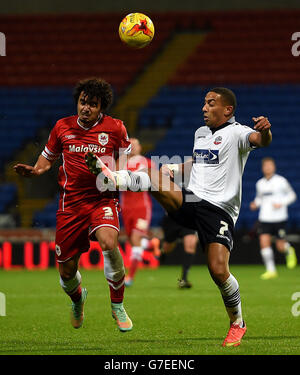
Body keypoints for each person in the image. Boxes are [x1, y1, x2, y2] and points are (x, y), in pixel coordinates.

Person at [85, 87, 272, 347]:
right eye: (204, 103)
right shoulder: (202, 134)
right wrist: (176, 168)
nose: (204, 108)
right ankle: (113, 177)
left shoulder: (237, 133)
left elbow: (261, 141)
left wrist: (264, 130)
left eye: (210, 103)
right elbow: (199, 163)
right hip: (192, 199)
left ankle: (237, 322)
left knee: (218, 271)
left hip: (219, 210)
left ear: (227, 109)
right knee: (153, 176)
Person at [14, 77, 133, 332]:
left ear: (102, 107)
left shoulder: (116, 128)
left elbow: (123, 163)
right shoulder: (62, 127)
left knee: (109, 243)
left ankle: (117, 305)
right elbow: (47, 158)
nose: (86, 108)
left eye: (92, 104)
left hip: (102, 199)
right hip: (71, 204)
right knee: (67, 273)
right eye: (83, 102)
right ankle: (78, 299)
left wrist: (113, 176)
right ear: (77, 102)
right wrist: (35, 171)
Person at [119, 137, 159, 287]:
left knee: (135, 239)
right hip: (126, 208)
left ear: (140, 148)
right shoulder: (120, 164)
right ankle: (150, 244)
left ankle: (130, 276)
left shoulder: (147, 163)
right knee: (133, 241)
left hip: (142, 207)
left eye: (136, 145)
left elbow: (154, 181)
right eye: (130, 145)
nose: (133, 147)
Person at [250, 157, 297, 279]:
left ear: (274, 167)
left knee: (280, 246)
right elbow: (260, 198)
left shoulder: (281, 181)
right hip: (265, 218)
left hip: (279, 218)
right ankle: (271, 270)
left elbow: (292, 195)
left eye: (270, 165)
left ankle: (288, 250)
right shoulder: (259, 184)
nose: (268, 168)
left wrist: (281, 202)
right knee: (264, 242)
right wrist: (255, 203)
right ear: (262, 168)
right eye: (266, 166)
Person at [160, 214, 198, 289]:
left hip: (188, 218)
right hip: (172, 218)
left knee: (190, 246)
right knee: (167, 248)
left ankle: (184, 279)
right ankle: (162, 254)